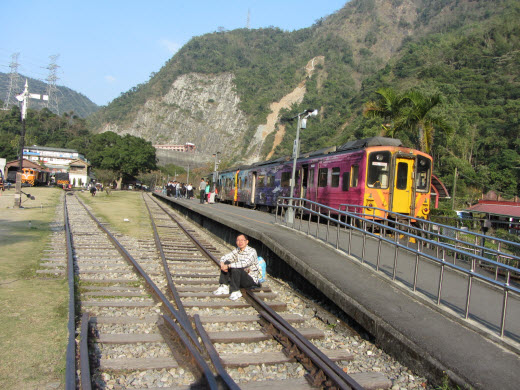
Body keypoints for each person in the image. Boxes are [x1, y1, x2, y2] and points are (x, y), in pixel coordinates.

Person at [213, 234, 261, 300]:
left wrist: (228, 266)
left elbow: (244, 263)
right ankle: (224, 286)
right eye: (238, 240)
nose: (240, 242)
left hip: (250, 279)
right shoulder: (237, 250)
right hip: (240, 276)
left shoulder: (252, 251)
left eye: (242, 240)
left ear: (247, 242)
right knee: (227, 262)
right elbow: (226, 257)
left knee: (235, 268)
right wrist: (222, 263)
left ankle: (235, 291)